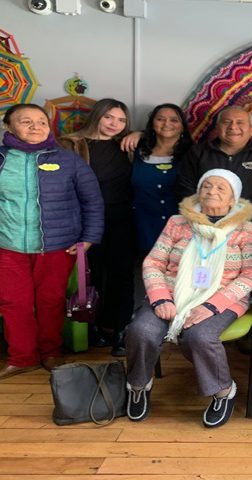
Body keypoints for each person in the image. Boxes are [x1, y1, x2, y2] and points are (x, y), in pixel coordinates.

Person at [125, 169, 252, 428]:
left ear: (233, 199)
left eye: (221, 188)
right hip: (171, 294)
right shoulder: (177, 223)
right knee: (141, 331)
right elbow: (154, 262)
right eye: (207, 186)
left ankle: (223, 390)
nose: (212, 191)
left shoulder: (248, 230)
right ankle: (138, 385)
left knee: (199, 336)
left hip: (222, 298)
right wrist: (161, 298)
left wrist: (212, 305)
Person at [0, 104, 104, 379]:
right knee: (14, 303)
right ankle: (22, 357)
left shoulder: (68, 160)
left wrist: (89, 238)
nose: (35, 126)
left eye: (41, 122)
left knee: (51, 301)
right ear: (8, 126)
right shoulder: (1, 159)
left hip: (58, 246)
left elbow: (92, 201)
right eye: (26, 121)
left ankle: (50, 352)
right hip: (7, 246)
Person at [60, 98, 134, 356]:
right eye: (109, 117)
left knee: (122, 274)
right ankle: (92, 327)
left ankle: (121, 329)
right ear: (97, 116)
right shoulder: (71, 144)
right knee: (91, 274)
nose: (115, 124)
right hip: (86, 220)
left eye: (122, 120)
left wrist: (139, 134)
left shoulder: (126, 145)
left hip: (122, 218)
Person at [176, 106, 252, 228]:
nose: (233, 127)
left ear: (251, 130)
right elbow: (186, 189)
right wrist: (205, 222)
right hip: (201, 225)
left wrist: (241, 225)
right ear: (217, 128)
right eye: (227, 122)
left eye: (240, 122)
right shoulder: (197, 153)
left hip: (246, 228)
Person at [131, 104, 194, 255]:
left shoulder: (194, 154)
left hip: (182, 233)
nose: (167, 124)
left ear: (182, 126)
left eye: (174, 120)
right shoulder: (135, 150)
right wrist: (138, 134)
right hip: (143, 228)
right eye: (160, 119)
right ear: (152, 124)